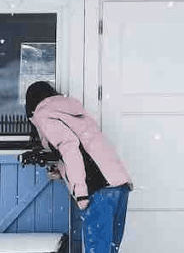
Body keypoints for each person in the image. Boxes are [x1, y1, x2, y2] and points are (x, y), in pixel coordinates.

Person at [25, 81, 132, 253]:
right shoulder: (72, 111)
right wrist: (62, 171)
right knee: (109, 249)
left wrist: (80, 192)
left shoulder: (44, 114)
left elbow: (70, 148)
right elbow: (86, 148)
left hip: (97, 188)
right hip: (118, 184)